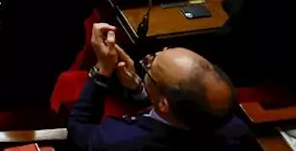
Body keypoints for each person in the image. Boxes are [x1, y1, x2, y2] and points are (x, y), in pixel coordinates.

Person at [70, 23, 251, 148]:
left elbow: (79, 132)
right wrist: (138, 89)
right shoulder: (236, 130)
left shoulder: (117, 141)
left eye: (150, 65)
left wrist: (102, 71)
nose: (149, 59)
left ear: (164, 105)